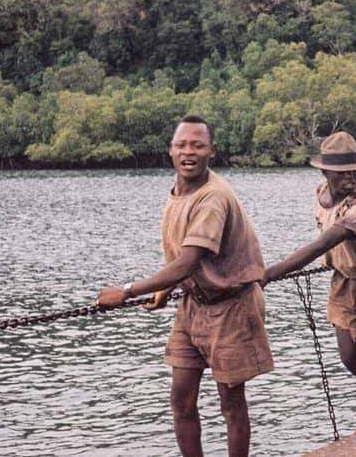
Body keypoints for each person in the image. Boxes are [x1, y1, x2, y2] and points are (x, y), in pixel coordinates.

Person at [96, 115, 273, 457]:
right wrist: (165, 287)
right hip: (194, 304)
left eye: (197, 145)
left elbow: (190, 260)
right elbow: (181, 256)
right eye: (181, 145)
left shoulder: (213, 197)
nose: (188, 152)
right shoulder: (179, 189)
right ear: (170, 150)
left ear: (212, 151)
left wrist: (129, 291)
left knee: (231, 401)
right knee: (181, 397)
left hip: (232, 306)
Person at [261, 132, 356, 438]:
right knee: (349, 356)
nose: (348, 176)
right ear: (325, 172)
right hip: (346, 281)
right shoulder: (321, 193)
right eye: (341, 171)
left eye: (353, 170)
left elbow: (325, 242)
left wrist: (273, 272)